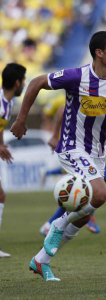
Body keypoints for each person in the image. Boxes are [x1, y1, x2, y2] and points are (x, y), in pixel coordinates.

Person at [11, 31, 106, 281]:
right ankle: (58, 224)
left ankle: (41, 260)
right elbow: (35, 83)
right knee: (100, 193)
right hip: (71, 147)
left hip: (97, 153)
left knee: (87, 210)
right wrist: (21, 120)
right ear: (99, 52)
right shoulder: (77, 76)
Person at [40, 106, 106, 235]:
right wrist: (55, 136)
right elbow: (62, 109)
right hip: (77, 150)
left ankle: (52, 224)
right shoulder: (92, 92)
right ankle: (56, 224)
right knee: (102, 181)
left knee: (86, 187)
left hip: (95, 156)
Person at [0, 63, 26, 258]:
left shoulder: (7, 104)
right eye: (23, 80)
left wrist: (2, 145)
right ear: (17, 82)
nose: (24, 84)